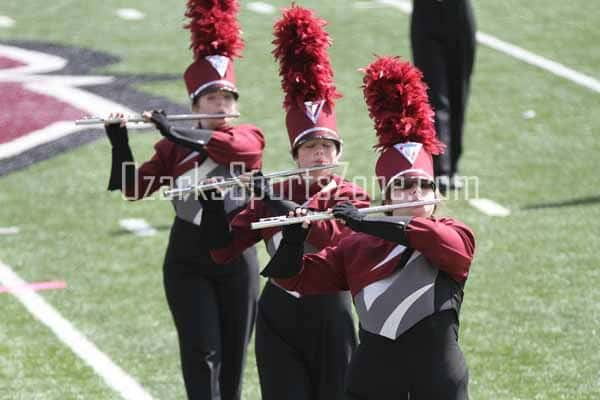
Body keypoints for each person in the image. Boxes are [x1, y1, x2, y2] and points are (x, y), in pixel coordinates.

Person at [262, 56, 476, 399]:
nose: (413, 194)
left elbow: (438, 241)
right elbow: (293, 278)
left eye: (423, 186)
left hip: (438, 383)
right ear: (386, 194)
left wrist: (368, 222)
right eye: (403, 186)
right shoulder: (356, 247)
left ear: (436, 198)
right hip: (372, 383)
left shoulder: (455, 233)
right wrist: (292, 239)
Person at [200, 6, 370, 400]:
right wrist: (213, 206)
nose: (318, 155)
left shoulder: (351, 194)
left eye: (326, 147)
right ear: (296, 156)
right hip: (277, 312)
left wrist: (270, 197)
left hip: (331, 311)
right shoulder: (277, 192)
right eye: (309, 147)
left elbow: (331, 233)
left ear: (337, 151)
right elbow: (224, 250)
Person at [102, 1, 265, 399]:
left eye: (228, 98)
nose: (222, 106)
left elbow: (225, 147)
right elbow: (132, 188)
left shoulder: (250, 138)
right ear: (194, 105)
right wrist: (120, 142)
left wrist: (172, 130)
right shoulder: (172, 149)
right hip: (187, 258)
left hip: (236, 255)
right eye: (212, 99)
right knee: (200, 352)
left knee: (233, 357)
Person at [410, 0, 477, 191]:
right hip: (426, 14)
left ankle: (453, 166)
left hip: (458, 13)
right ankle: (439, 169)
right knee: (433, 96)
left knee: (458, 94)